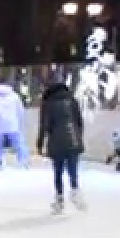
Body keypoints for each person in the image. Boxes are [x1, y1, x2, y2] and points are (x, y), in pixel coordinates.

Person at [36, 82, 86, 214]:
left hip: (56, 142)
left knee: (58, 172)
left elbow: (44, 126)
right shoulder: (73, 101)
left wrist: (39, 144)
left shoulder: (48, 104)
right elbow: (79, 122)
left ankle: (59, 200)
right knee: (73, 170)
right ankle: (75, 191)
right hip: (73, 140)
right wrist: (78, 137)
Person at [0, 83, 27, 170]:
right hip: (12, 124)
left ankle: (1, 160)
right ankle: (22, 161)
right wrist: (20, 122)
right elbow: (20, 110)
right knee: (18, 143)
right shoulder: (15, 96)